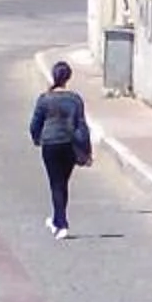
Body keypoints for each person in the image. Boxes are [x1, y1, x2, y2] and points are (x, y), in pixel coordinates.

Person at [28, 59, 92, 237]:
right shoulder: (75, 100)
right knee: (62, 183)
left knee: (56, 183)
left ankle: (61, 223)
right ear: (68, 78)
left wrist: (36, 138)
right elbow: (82, 126)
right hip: (69, 145)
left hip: (50, 144)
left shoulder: (44, 99)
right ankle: (57, 219)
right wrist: (87, 151)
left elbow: (35, 123)